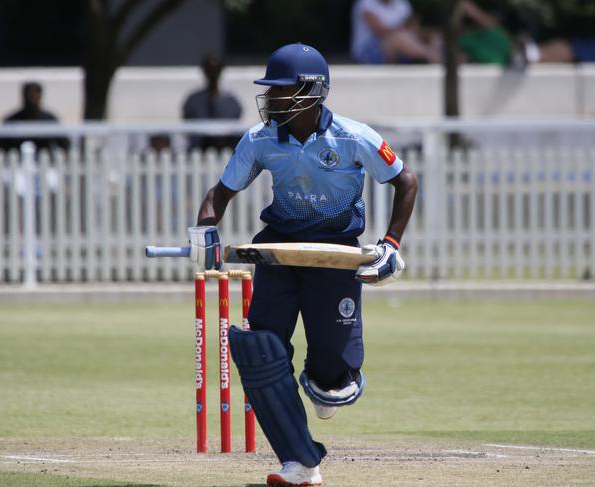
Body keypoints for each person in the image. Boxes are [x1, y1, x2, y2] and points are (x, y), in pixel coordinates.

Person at [188, 43, 417, 486]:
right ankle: (300, 462)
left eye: (279, 90)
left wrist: (391, 244)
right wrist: (205, 234)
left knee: (332, 375)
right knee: (261, 351)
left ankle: (326, 380)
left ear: (313, 92)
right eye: (269, 91)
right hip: (279, 248)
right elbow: (220, 194)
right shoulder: (260, 140)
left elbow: (405, 180)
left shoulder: (354, 138)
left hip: (334, 252)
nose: (270, 99)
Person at [182, 54, 243, 151]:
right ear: (204, 71)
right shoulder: (193, 100)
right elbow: (187, 124)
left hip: (226, 149)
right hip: (199, 149)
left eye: (215, 69)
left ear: (220, 71)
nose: (212, 74)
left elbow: (235, 125)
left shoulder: (231, 100)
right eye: (209, 70)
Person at [350, 0, 440, 64]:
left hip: (401, 46)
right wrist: (404, 29)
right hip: (367, 51)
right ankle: (432, 57)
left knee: (432, 34)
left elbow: (412, 27)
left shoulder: (402, 3)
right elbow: (380, 30)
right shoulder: (366, 3)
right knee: (398, 38)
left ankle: (445, 58)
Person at [0, 81, 70, 153]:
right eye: (29, 95)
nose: (31, 99)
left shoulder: (50, 120)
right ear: (23, 96)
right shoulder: (11, 121)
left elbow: (65, 145)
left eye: (34, 95)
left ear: (40, 96)